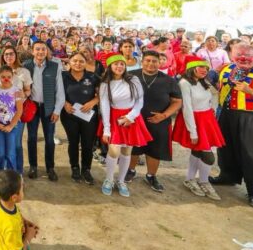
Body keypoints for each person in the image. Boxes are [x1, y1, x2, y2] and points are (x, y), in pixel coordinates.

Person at [210, 44, 253, 208]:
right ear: (232, 55)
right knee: (225, 148)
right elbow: (216, 85)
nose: (243, 58)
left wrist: (252, 92)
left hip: (252, 117)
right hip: (226, 113)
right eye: (239, 54)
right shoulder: (226, 69)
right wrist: (213, 72)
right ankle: (228, 176)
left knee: (252, 155)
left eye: (248, 55)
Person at [126, 51, 182, 192]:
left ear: (160, 62)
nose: (151, 63)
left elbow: (177, 101)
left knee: (155, 150)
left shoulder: (169, 80)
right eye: (148, 60)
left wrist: (164, 115)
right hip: (135, 120)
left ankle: (151, 176)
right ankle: (130, 170)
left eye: (154, 61)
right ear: (142, 61)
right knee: (133, 148)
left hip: (159, 121)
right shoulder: (130, 76)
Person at [99, 53, 152, 198]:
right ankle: (109, 179)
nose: (119, 66)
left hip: (131, 118)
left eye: (122, 64)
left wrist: (130, 117)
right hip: (114, 118)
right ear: (110, 67)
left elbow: (139, 100)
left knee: (127, 151)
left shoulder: (133, 79)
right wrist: (107, 129)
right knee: (114, 151)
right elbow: (105, 106)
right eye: (116, 64)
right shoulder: (105, 84)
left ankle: (121, 181)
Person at [173, 56, 224, 200]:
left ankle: (190, 179)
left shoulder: (203, 81)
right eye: (201, 67)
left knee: (197, 151)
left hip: (206, 119)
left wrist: (212, 107)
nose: (204, 70)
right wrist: (193, 131)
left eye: (206, 68)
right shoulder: (184, 83)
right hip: (194, 120)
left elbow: (214, 94)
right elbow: (187, 108)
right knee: (208, 156)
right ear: (191, 68)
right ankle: (203, 181)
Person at [21, 42, 65, 181]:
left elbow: (60, 90)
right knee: (32, 137)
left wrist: (57, 110)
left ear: (47, 51)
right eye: (37, 49)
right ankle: (33, 166)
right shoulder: (26, 66)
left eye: (43, 49)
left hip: (49, 107)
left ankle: (50, 168)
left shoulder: (55, 66)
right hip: (32, 106)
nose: (40, 52)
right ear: (32, 51)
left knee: (49, 139)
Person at [61, 52, 100, 184]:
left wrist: (93, 102)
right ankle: (75, 168)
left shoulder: (93, 77)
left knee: (87, 144)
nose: (78, 64)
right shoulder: (62, 76)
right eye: (75, 61)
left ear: (85, 63)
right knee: (73, 142)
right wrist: (64, 103)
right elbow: (56, 92)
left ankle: (86, 169)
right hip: (69, 115)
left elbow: (103, 94)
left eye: (81, 61)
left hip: (89, 117)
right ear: (69, 62)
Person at [0, 170, 39, 250]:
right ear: (14, 198)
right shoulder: (11, 227)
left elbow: (15, 213)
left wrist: (24, 221)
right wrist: (28, 237)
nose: (24, 189)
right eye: (22, 189)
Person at [0, 66, 23, 174]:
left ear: (12, 77)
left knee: (11, 153)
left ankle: (12, 176)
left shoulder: (16, 90)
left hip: (12, 127)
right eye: (3, 77)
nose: (6, 79)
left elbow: (19, 110)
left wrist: (11, 125)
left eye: (9, 77)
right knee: (0, 153)